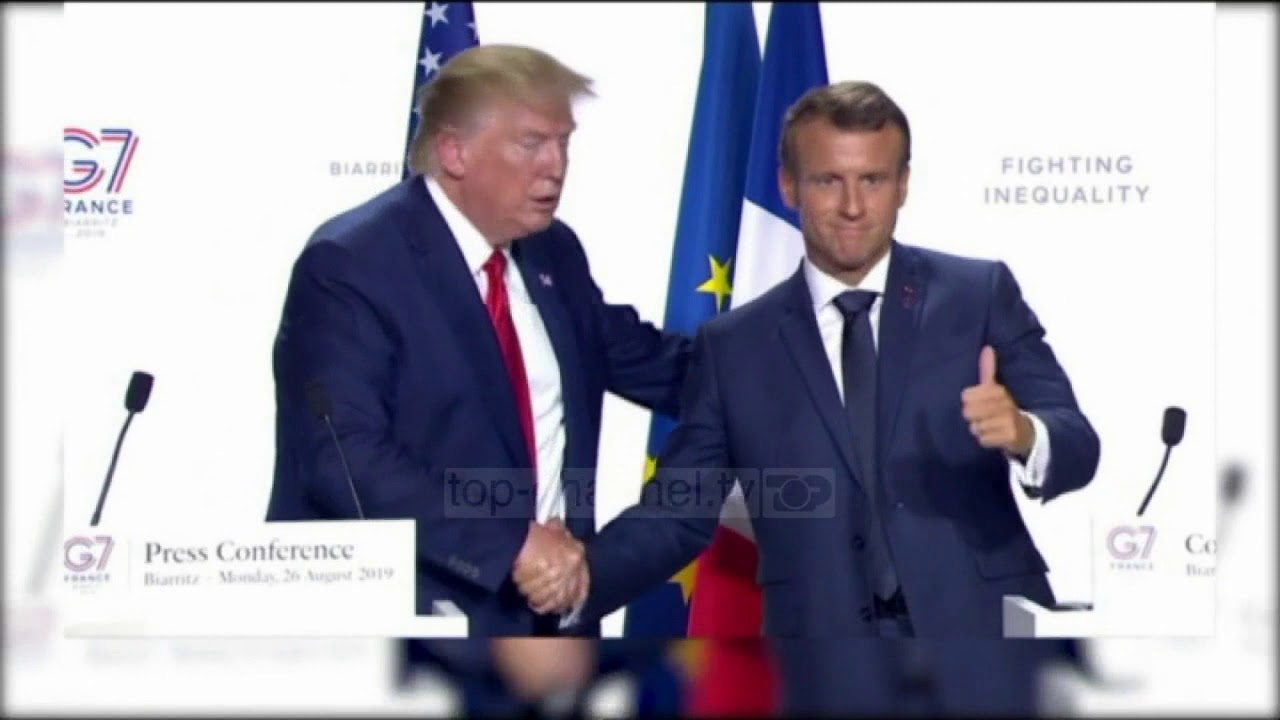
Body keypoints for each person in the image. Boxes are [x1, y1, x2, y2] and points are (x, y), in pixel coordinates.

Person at [518, 80, 1101, 714]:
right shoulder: (734, 347)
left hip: (986, 651)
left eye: (873, 180)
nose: (852, 206)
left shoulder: (978, 293)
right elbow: (677, 513)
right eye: (828, 181)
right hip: (828, 668)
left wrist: (1025, 433)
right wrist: (579, 576)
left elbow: (1077, 442)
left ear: (903, 184)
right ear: (790, 186)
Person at [266, 43, 692, 710]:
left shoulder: (553, 251)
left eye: (564, 142)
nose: (556, 166)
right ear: (454, 151)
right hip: (418, 638)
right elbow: (344, 458)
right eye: (531, 143)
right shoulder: (351, 264)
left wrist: (807, 368)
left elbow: (649, 362)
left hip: (552, 626)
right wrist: (512, 546)